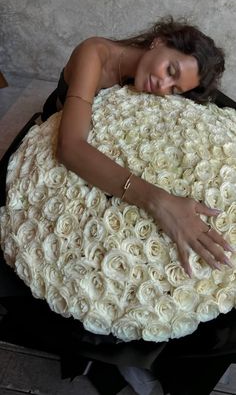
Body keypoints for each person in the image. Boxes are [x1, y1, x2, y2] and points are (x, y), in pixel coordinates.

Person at [42, 16, 232, 278]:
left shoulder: (155, 80)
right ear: (158, 42)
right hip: (57, 118)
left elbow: (217, 100)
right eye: (171, 70)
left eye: (174, 88)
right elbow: (70, 147)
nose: (163, 86)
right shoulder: (93, 53)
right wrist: (160, 202)